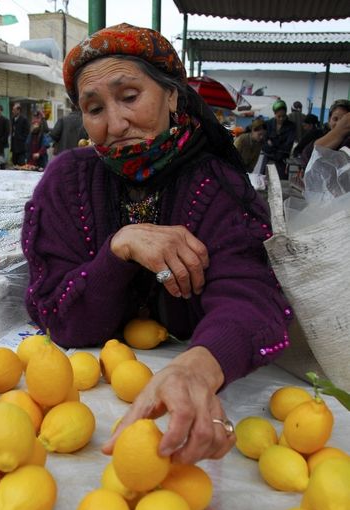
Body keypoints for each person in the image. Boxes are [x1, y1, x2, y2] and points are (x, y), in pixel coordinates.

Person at [21, 23, 292, 464]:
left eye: (129, 97)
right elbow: (57, 313)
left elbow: (252, 297)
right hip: (88, 410)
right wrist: (117, 249)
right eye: (94, 108)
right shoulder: (66, 181)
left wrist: (196, 367)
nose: (115, 123)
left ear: (171, 95)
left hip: (182, 410)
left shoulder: (217, 185)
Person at [300, 100, 350, 168]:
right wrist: (339, 131)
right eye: (335, 119)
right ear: (329, 120)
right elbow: (307, 156)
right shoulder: (317, 134)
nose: (339, 124)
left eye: (343, 121)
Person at [261, 100, 296, 179]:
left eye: (283, 116)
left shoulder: (291, 126)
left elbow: (288, 145)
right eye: (279, 116)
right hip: (268, 157)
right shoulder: (268, 124)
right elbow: (264, 143)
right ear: (274, 114)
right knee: (263, 180)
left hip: (282, 160)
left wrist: (272, 144)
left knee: (281, 183)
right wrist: (276, 146)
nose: (281, 118)